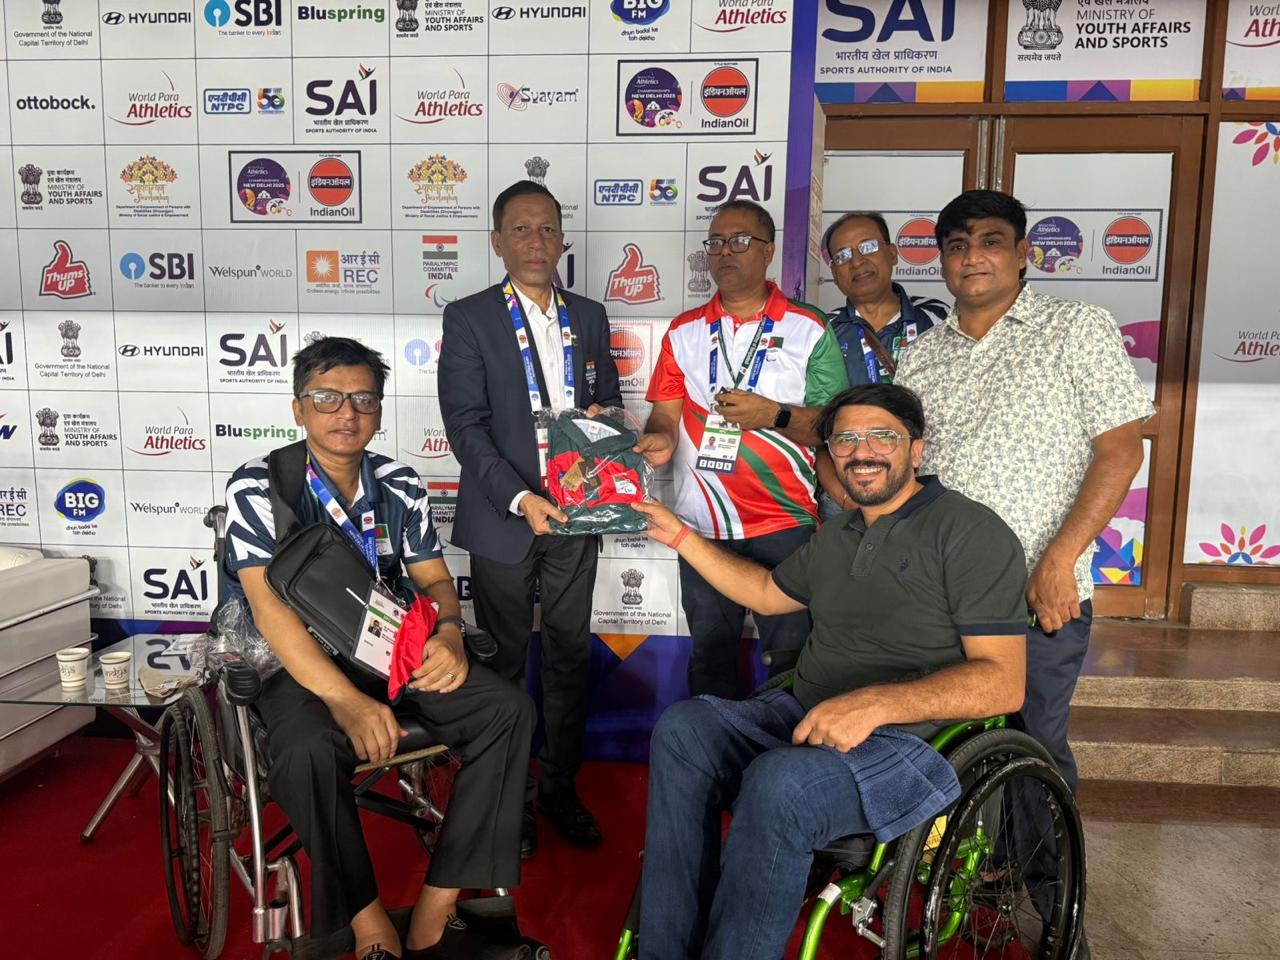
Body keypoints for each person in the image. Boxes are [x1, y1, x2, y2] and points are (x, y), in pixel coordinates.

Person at [630, 383, 1029, 960]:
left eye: (882, 437)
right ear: (830, 454)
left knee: (782, 784)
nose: (862, 452)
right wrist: (680, 536)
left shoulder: (970, 532)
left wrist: (874, 704)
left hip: (910, 743)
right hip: (806, 716)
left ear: (916, 449)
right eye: (845, 440)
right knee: (683, 729)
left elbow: (1003, 682)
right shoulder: (838, 534)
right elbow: (766, 593)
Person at [221, 336, 534, 960]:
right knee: (306, 748)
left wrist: (449, 632)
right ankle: (366, 920)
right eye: (328, 398)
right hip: (294, 660)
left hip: (387, 647)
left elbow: (434, 580)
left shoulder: (398, 482)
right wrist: (346, 702)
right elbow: (269, 610)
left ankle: (438, 906)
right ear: (298, 409)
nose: (347, 413)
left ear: (379, 410)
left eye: (363, 399)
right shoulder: (259, 485)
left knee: (507, 710)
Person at [895, 189, 1153, 795]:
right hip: (940, 593)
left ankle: (1043, 859)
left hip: (1038, 589)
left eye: (991, 242)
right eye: (957, 246)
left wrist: (1060, 561)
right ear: (942, 261)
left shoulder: (1076, 328)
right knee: (945, 743)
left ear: (1023, 254)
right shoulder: (921, 355)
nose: (972, 257)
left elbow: (1121, 451)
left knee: (1030, 746)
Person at [438, 180, 622, 856]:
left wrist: (604, 420)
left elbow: (610, 400)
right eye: (521, 229)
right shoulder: (470, 317)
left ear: (563, 239)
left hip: (579, 514)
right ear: (498, 241)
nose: (536, 241)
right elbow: (466, 427)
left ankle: (559, 788)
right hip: (504, 518)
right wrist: (521, 498)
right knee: (506, 662)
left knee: (569, 657)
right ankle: (508, 796)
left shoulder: (590, 316)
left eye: (547, 229)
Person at [637, 199, 849, 698]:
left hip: (784, 522)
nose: (725, 252)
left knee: (791, 664)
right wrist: (660, 439)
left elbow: (834, 427)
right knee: (710, 659)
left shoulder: (808, 327)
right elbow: (665, 412)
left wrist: (773, 414)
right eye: (715, 242)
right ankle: (713, 750)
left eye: (739, 241)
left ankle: (783, 751)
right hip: (701, 525)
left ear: (769, 251)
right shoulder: (683, 330)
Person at [815, 211, 949, 520]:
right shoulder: (823, 330)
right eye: (842, 256)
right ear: (834, 271)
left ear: (892, 253)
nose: (857, 261)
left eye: (868, 247)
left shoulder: (936, 317)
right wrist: (843, 497)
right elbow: (815, 424)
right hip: (853, 484)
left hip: (927, 483)